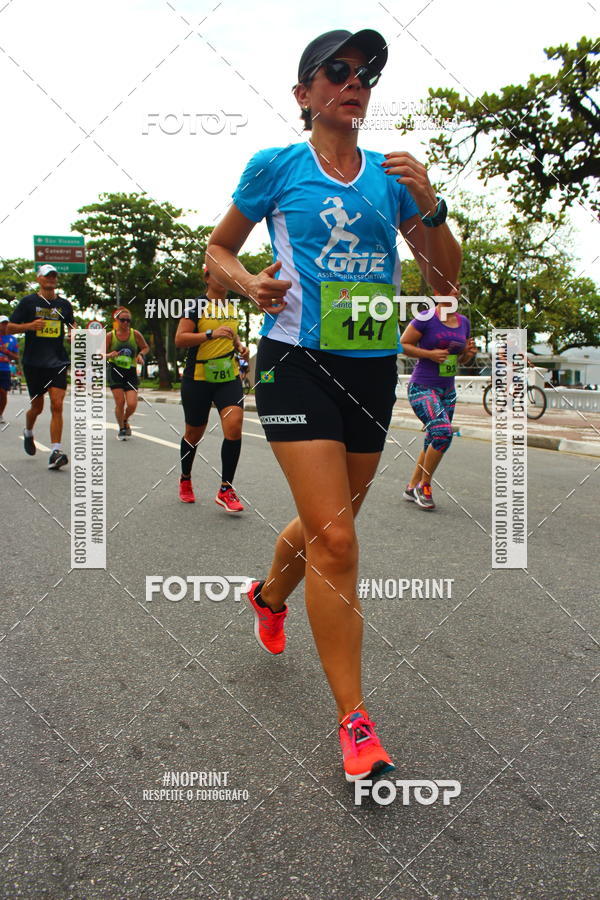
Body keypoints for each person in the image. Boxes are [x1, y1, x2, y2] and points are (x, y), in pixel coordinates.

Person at [206, 28, 461, 780]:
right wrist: (250, 282)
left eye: (366, 74)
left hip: (372, 365)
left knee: (334, 523)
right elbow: (216, 250)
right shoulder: (276, 166)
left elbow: (445, 281)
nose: (356, 82)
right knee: (341, 542)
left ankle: (268, 594)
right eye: (338, 70)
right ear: (305, 93)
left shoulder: (390, 177)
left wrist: (435, 205)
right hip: (295, 363)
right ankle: (355, 722)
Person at [174, 266, 249, 511]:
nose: (224, 279)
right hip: (198, 378)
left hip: (228, 376)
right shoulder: (196, 306)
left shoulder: (231, 307)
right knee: (194, 434)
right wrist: (210, 334)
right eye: (218, 274)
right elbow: (180, 338)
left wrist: (239, 346)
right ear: (207, 278)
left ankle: (226, 489)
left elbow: (229, 333)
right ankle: (185, 478)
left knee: (234, 426)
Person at [400, 290, 476, 510]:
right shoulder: (425, 318)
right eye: (448, 287)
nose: (455, 291)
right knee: (443, 433)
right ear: (437, 292)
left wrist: (466, 355)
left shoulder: (464, 322)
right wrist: (429, 354)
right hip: (422, 386)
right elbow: (403, 345)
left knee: (433, 437)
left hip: (447, 389)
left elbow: (458, 358)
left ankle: (411, 486)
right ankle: (424, 486)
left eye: (458, 286)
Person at [7, 265, 74, 469]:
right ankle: (28, 431)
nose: (51, 279)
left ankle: (55, 451)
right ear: (39, 279)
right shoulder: (28, 302)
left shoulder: (64, 305)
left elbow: (72, 325)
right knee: (37, 407)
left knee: (57, 403)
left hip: (58, 361)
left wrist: (73, 335)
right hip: (34, 362)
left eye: (54, 276)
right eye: (47, 276)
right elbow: (8, 326)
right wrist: (29, 326)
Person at [105, 307, 149, 440]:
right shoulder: (110, 335)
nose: (125, 323)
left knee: (132, 404)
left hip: (130, 371)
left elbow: (145, 347)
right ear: (117, 320)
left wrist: (141, 355)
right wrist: (109, 354)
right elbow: (99, 353)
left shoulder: (135, 334)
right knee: (120, 402)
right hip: (115, 370)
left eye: (128, 320)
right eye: (123, 320)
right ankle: (122, 428)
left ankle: (125, 419)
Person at [0, 315, 19, 425]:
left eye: (6, 323)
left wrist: (6, 352)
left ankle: (0, 414)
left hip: (5, 369)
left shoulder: (12, 339)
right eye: (2, 323)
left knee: (3, 393)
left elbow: (16, 357)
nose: (4, 326)